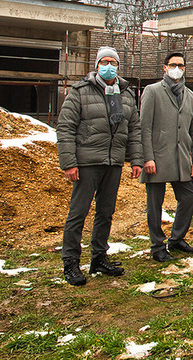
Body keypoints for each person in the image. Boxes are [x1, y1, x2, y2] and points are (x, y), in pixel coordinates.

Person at [57, 46, 143, 286]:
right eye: (104, 62)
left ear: (118, 66)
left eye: (113, 62)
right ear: (97, 65)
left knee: (106, 212)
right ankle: (71, 262)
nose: (109, 66)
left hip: (113, 162)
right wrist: (69, 162)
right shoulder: (79, 91)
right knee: (78, 213)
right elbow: (65, 128)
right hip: (87, 162)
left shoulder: (124, 93)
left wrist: (135, 159)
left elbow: (133, 129)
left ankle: (98, 257)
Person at [140, 52, 193, 262]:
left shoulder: (191, 96)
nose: (177, 68)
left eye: (181, 65)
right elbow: (144, 127)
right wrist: (147, 157)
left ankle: (177, 239)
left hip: (182, 158)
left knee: (187, 197)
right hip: (157, 158)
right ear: (165, 68)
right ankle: (157, 246)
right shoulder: (153, 91)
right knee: (154, 205)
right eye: (173, 65)